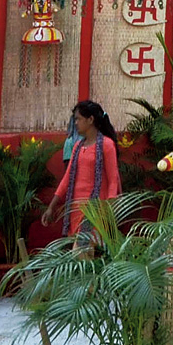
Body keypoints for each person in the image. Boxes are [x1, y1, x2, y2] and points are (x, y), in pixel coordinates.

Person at [44, 100, 121, 251]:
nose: (76, 123)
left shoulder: (106, 144)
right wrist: (51, 207)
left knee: (80, 252)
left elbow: (113, 179)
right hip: (76, 211)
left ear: (90, 120)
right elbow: (67, 179)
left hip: (96, 210)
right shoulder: (78, 147)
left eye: (78, 119)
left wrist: (109, 209)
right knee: (86, 257)